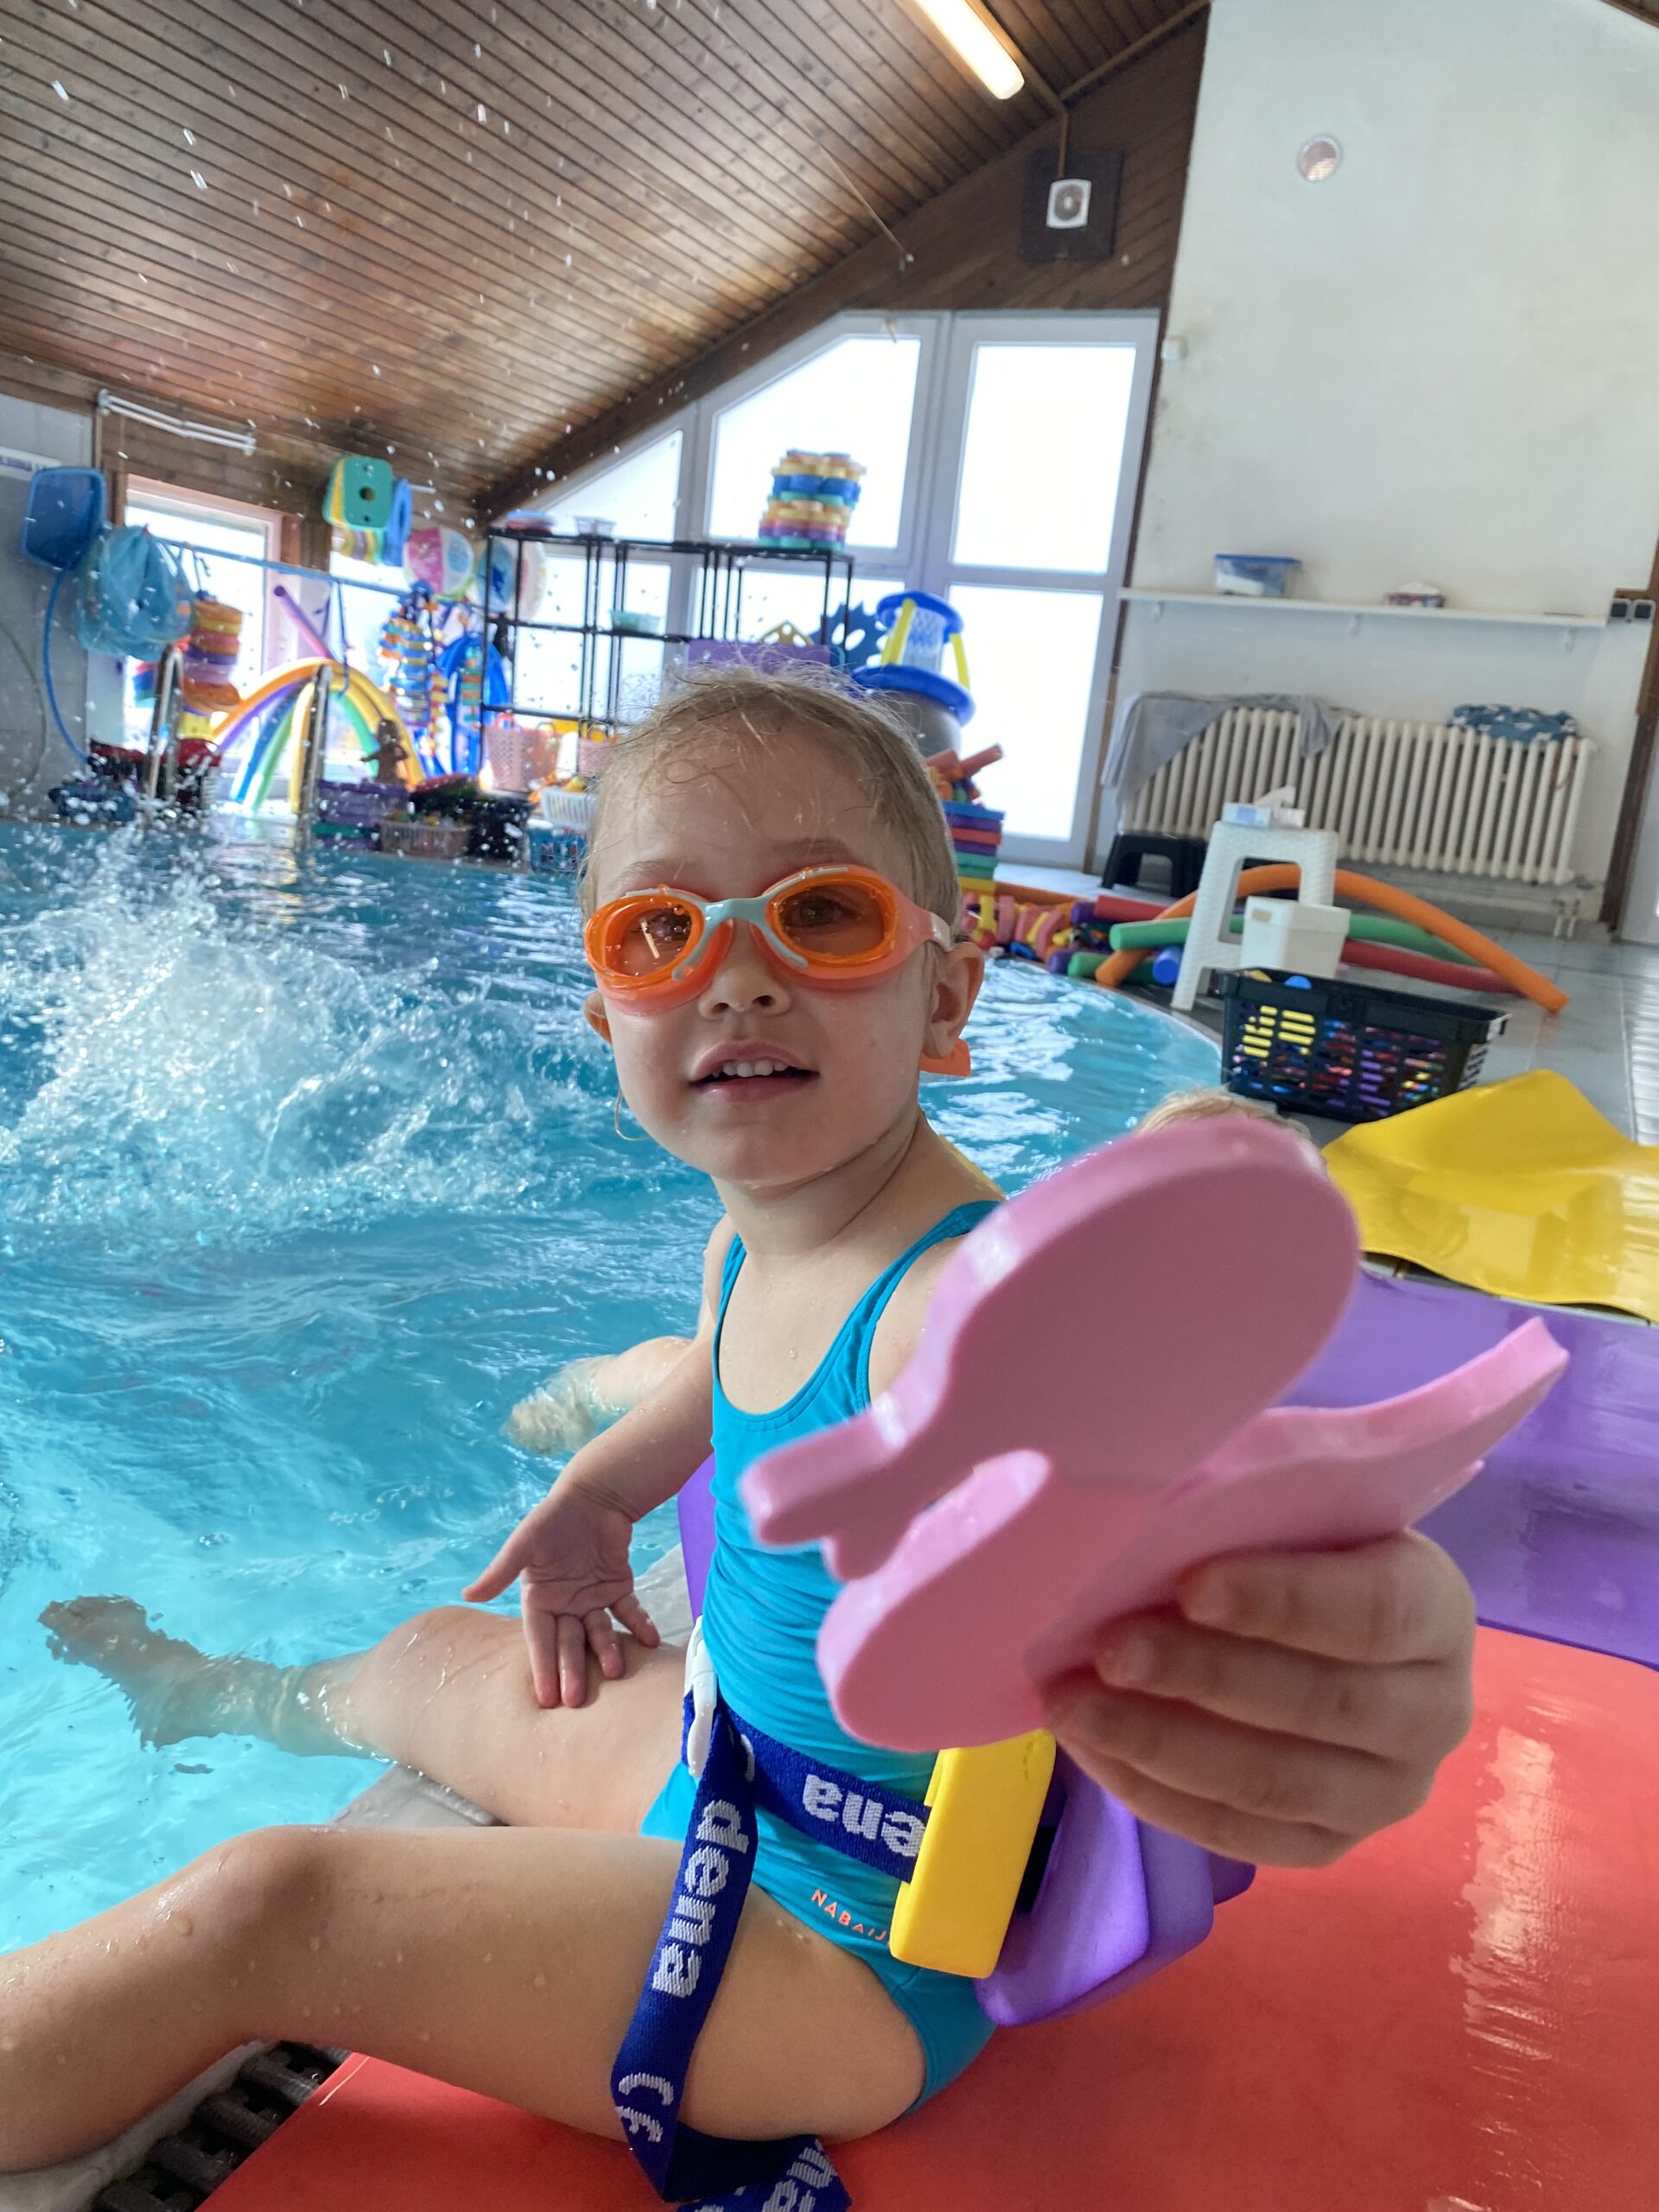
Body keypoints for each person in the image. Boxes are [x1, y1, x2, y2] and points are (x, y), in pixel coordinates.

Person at [8, 671, 1477, 2177]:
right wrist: (601, 1493)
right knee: (425, 1659)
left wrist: (1187, 1206)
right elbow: (718, 1375)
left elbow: (1090, 1389)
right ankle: (221, 1695)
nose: (739, 978)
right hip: (724, 1775)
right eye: (662, 932)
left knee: (267, 1909)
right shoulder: (757, 1237)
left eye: (822, 915)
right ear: (609, 1022)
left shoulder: (950, 1298)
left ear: (946, 1000)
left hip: (837, 1953)